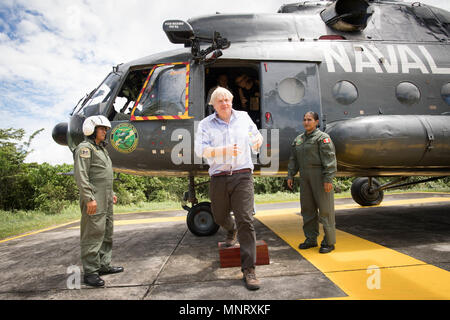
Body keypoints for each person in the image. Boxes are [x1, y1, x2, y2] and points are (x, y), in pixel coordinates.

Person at [195, 87, 264, 290]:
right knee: (219, 216)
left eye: (227, 99)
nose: (225, 103)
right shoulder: (206, 124)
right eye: (220, 101)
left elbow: (255, 137)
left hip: (242, 175)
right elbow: (200, 149)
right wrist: (222, 151)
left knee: (246, 219)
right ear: (213, 105)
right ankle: (230, 228)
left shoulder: (243, 117)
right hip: (219, 177)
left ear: (231, 101)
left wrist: (258, 142)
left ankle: (249, 269)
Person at [73, 115, 124, 287]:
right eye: (102, 128)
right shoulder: (85, 148)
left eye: (105, 129)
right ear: (92, 129)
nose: (105, 132)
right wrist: (89, 198)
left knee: (106, 232)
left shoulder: (102, 149)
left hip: (106, 198)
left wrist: (112, 193)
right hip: (94, 199)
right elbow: (81, 175)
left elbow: (103, 175)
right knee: (93, 234)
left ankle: (103, 265)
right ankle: (91, 272)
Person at [287, 111, 337, 254]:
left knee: (325, 210)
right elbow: (293, 160)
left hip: (319, 176)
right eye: (304, 119)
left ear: (316, 122)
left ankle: (329, 241)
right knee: (307, 209)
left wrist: (328, 179)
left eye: (309, 120)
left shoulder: (323, 138)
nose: (306, 122)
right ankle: (310, 239)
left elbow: (330, 160)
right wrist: (290, 175)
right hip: (304, 177)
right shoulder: (299, 140)